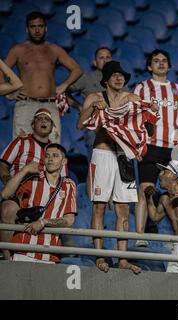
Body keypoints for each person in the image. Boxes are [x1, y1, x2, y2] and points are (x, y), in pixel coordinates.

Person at [77, 60, 158, 274]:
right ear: (105, 79)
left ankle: (122, 259)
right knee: (99, 207)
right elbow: (80, 124)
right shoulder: (94, 98)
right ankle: (99, 256)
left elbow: (148, 125)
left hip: (124, 156)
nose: (119, 77)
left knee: (123, 209)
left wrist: (152, 113)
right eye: (114, 74)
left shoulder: (132, 99)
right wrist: (94, 108)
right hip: (102, 153)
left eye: (121, 75)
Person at [132, 49, 178, 247]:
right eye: (156, 61)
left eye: (164, 61)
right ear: (149, 66)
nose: (161, 64)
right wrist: (138, 146)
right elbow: (136, 119)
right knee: (145, 189)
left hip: (174, 148)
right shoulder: (142, 88)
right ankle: (140, 235)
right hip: (151, 145)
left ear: (170, 65)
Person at [2, 11, 82, 142]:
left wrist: (64, 85)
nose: (37, 30)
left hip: (50, 104)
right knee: (22, 149)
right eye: (33, 27)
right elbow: (1, 71)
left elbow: (77, 69)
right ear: (27, 30)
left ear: (46, 28)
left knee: (53, 149)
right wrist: (9, 93)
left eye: (40, 26)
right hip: (25, 105)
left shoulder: (54, 49)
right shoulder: (18, 50)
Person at [0, 144, 77, 264]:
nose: (50, 159)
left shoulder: (69, 185)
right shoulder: (33, 179)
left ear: (64, 161)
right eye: (47, 156)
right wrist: (25, 170)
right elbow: (5, 194)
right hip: (23, 250)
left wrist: (43, 222)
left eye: (55, 156)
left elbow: (69, 220)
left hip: (50, 254)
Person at [0, 108, 55, 260]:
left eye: (47, 119)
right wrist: (8, 180)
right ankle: (7, 258)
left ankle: (43, 257)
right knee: (7, 209)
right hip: (20, 189)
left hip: (44, 194)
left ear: (52, 127)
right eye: (39, 118)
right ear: (33, 124)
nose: (44, 121)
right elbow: (2, 164)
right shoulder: (21, 142)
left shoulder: (55, 151)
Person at [144, 160, 178, 273]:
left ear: (174, 175)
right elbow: (155, 217)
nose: (160, 174)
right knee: (172, 278)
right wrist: (148, 198)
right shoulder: (164, 198)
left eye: (164, 171)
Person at [67, 47, 113, 150]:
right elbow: (64, 92)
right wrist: (78, 106)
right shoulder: (87, 78)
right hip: (95, 130)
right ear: (94, 62)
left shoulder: (119, 79)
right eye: (101, 58)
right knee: (97, 164)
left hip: (116, 129)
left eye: (108, 57)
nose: (105, 60)